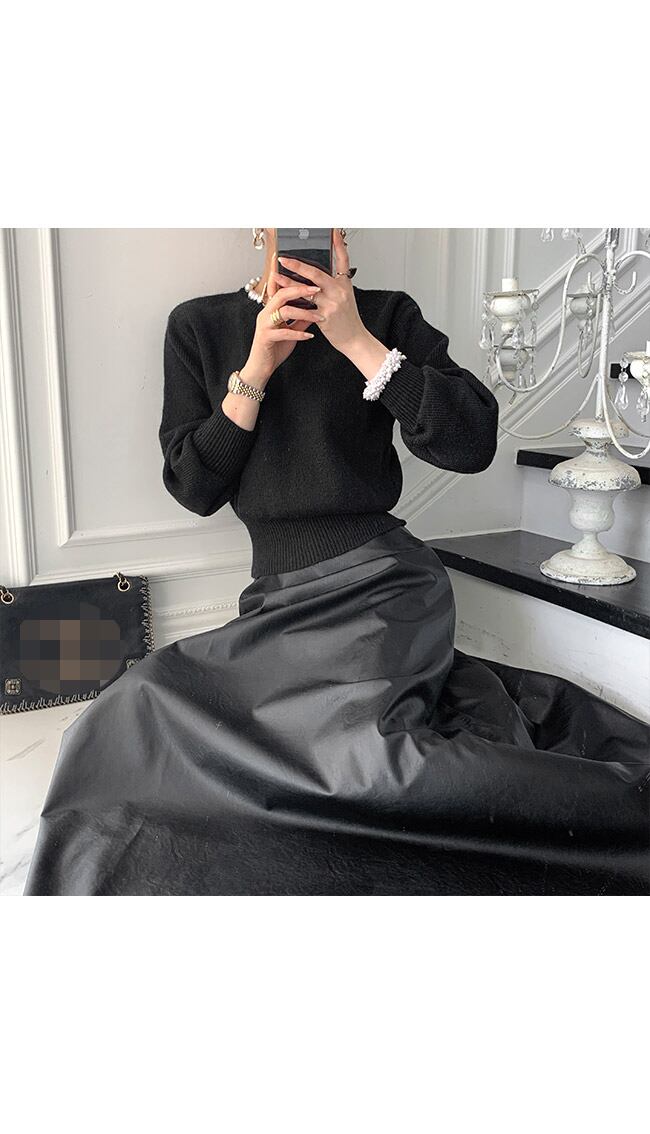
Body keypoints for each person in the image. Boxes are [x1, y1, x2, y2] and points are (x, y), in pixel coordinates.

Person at [24, 229, 650, 896]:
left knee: (370, 763)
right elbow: (194, 486)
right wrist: (256, 368)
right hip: (278, 602)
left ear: (342, 234)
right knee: (134, 711)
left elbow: (471, 444)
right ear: (260, 229)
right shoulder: (199, 326)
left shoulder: (385, 315)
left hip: (385, 585)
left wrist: (356, 340)